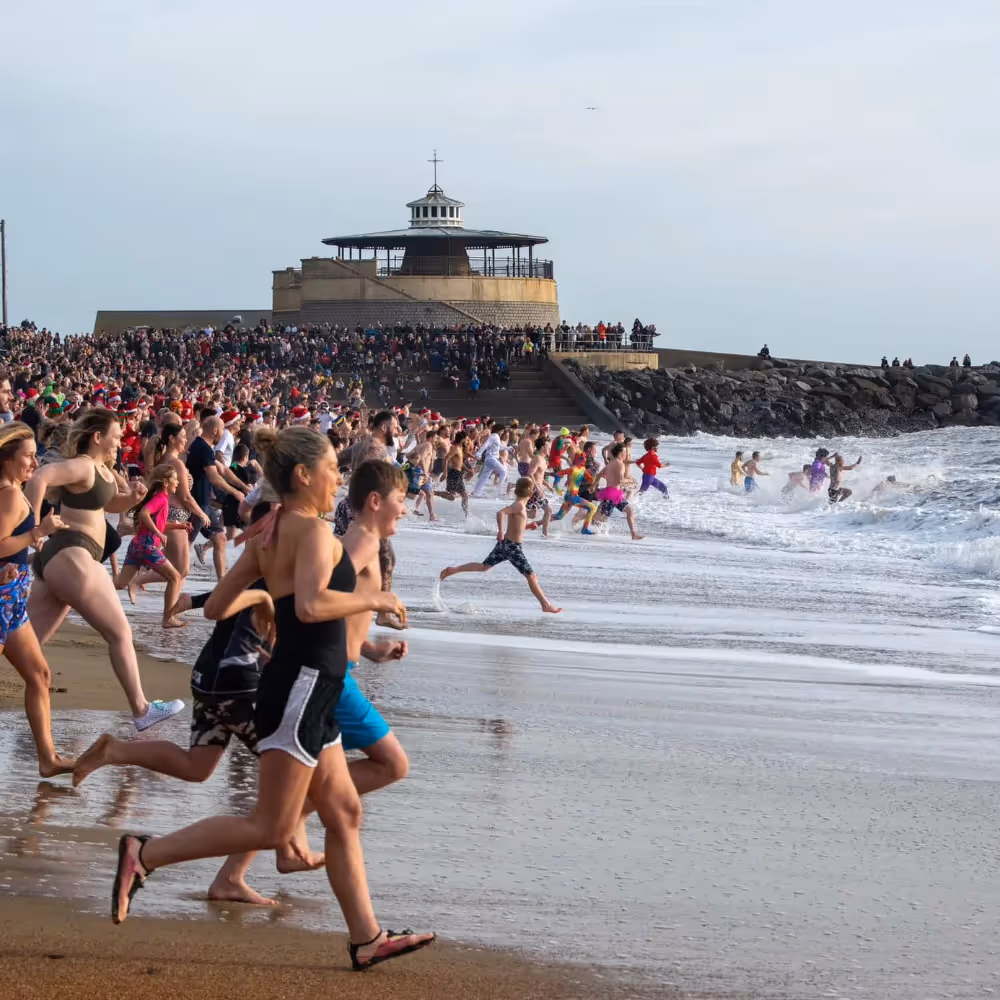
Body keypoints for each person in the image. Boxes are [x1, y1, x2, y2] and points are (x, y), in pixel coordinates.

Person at [109, 426, 434, 970]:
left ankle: (367, 938)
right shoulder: (306, 529)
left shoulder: (275, 530)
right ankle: (145, 854)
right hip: (302, 687)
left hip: (310, 687)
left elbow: (216, 609)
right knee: (272, 827)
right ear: (304, 475)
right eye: (333, 467)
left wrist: (265, 588)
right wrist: (376, 596)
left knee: (344, 811)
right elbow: (308, 607)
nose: (339, 477)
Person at [25, 409, 184, 732]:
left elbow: (106, 506)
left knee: (24, 643)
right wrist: (32, 528)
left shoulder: (103, 471)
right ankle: (141, 709)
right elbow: (41, 478)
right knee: (120, 633)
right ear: (97, 437)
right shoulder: (83, 465)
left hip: (65, 560)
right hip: (74, 553)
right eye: (115, 435)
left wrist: (131, 499)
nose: (119, 441)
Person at [0, 421, 75, 776]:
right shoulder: (10, 495)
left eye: (35, 455)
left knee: (40, 675)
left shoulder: (14, 490)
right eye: (28, 457)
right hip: (1, 598)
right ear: (7, 459)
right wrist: (38, 533)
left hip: (12, 600)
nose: (34, 463)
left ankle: (48, 759)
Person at [440, 477, 561, 613]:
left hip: (506, 545)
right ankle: (545, 605)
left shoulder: (519, 505)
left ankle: (453, 570)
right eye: (534, 489)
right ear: (530, 492)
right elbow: (500, 513)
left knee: (484, 566)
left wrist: (528, 526)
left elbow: (516, 526)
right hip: (512, 547)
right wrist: (500, 533)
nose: (536, 491)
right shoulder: (519, 505)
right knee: (531, 576)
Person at [115, 464, 187, 628]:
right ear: (166, 482)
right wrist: (160, 534)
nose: (178, 482)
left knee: (120, 584)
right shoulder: (161, 498)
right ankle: (168, 619)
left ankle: (87, 594)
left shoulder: (160, 497)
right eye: (175, 479)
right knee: (175, 577)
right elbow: (143, 513)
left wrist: (178, 526)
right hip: (148, 547)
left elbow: (157, 524)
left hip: (137, 546)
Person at [190, 415, 246, 580]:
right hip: (196, 504)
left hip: (204, 504)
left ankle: (222, 582)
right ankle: (146, 570)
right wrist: (235, 492)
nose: (223, 434)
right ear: (215, 431)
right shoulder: (202, 448)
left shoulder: (205, 447)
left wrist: (243, 486)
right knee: (181, 549)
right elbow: (215, 478)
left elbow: (224, 470)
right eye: (222, 430)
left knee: (220, 538)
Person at [591, 443, 643, 540]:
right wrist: (630, 480)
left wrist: (593, 486)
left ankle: (634, 534)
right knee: (602, 517)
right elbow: (621, 480)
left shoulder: (611, 464)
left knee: (629, 510)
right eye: (625, 452)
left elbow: (599, 475)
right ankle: (591, 532)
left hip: (615, 494)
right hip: (612, 494)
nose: (626, 455)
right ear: (620, 453)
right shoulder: (620, 464)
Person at [550, 452, 598, 534]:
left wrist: (593, 476)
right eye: (583, 458)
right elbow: (558, 474)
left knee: (559, 516)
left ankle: (537, 523)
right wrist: (556, 487)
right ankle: (584, 529)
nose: (585, 459)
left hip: (570, 497)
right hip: (572, 496)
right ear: (578, 459)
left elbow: (590, 479)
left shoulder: (583, 469)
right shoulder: (572, 469)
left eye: (585, 458)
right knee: (593, 508)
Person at [434, 430, 470, 516]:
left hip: (458, 474)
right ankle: (433, 492)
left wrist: (468, 470)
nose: (467, 441)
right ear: (462, 439)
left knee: (465, 495)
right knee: (452, 497)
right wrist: (445, 473)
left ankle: (467, 515)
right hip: (453, 473)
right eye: (466, 439)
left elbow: (459, 462)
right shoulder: (455, 448)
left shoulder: (460, 448)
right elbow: (446, 459)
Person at [472, 424, 507, 497]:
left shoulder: (496, 437)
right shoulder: (494, 436)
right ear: (498, 430)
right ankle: (500, 492)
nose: (502, 433)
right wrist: (479, 453)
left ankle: (476, 492)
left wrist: (508, 448)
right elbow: (486, 444)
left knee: (484, 477)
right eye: (502, 431)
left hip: (489, 459)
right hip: (491, 458)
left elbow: (500, 447)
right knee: (503, 471)